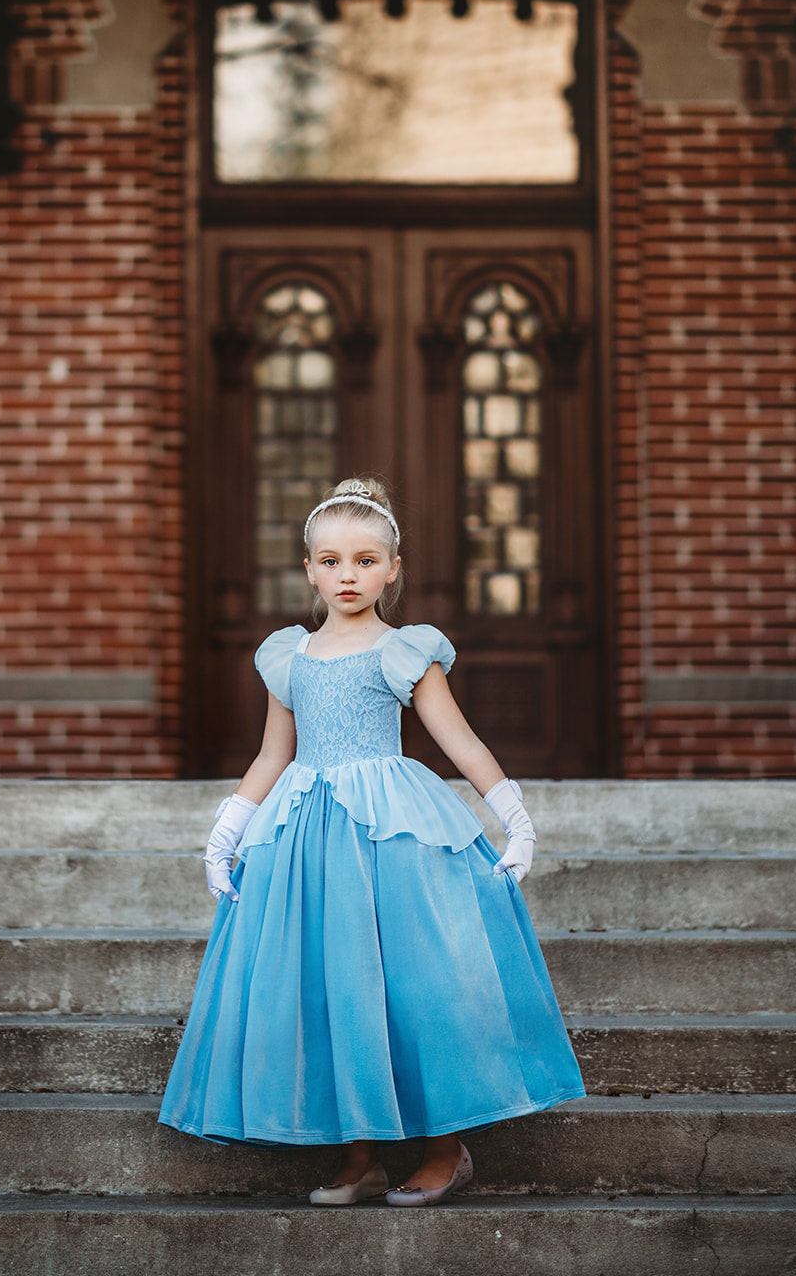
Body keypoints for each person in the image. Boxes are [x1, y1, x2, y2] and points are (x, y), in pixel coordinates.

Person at [159, 477, 585, 1205]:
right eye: (330, 561)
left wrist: (514, 817)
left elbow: (459, 741)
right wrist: (227, 831)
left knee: (413, 982)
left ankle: (445, 1148)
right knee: (333, 983)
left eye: (365, 561)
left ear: (392, 570)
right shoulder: (289, 656)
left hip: (391, 832)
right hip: (307, 833)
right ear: (309, 570)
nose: (347, 575)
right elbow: (273, 754)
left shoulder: (403, 651)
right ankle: (360, 1151)